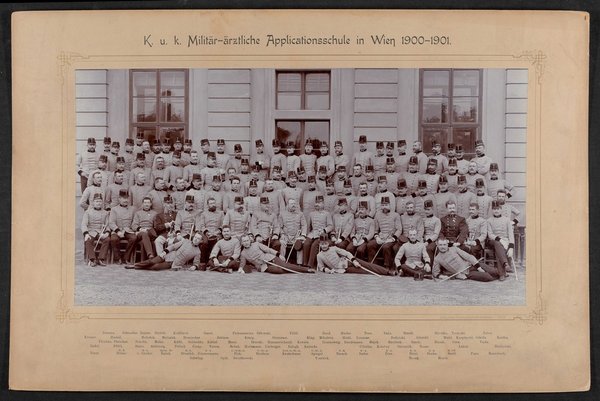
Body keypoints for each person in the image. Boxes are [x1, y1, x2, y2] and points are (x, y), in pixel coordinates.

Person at [237, 234, 314, 274]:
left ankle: (306, 270)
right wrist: (240, 268)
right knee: (278, 270)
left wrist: (278, 255)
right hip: (263, 266)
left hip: (270, 258)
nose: (246, 243)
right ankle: (292, 269)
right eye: (244, 241)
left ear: (250, 240)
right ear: (241, 243)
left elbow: (268, 249)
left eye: (247, 240)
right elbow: (242, 263)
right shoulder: (243, 253)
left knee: (285, 266)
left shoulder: (256, 244)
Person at [432, 237, 500, 282]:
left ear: (447, 244)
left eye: (444, 244)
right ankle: (493, 276)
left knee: (494, 271)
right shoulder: (437, 258)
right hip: (466, 273)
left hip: (472, 265)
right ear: (437, 245)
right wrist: (441, 276)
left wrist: (478, 267)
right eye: (440, 245)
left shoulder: (454, 249)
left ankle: (499, 274)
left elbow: (468, 257)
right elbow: (435, 272)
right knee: (487, 277)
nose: (443, 247)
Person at [125, 232, 202, 271]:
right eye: (195, 237)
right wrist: (164, 252)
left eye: (198, 238)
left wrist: (194, 267)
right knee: (152, 261)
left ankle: (140, 267)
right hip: (169, 255)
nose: (195, 239)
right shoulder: (185, 241)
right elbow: (173, 246)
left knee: (156, 267)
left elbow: (196, 263)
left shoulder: (197, 252)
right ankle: (135, 266)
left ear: (201, 241)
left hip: (174, 263)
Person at [317, 234, 389, 275]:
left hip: (349, 261)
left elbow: (347, 253)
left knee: (368, 265)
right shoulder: (319, 255)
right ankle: (383, 273)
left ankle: (387, 272)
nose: (324, 246)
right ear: (319, 244)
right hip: (343, 269)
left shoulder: (334, 248)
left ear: (328, 243)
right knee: (366, 271)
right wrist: (327, 270)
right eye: (322, 244)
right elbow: (321, 267)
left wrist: (354, 261)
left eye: (325, 244)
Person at [366, 196, 402, 274]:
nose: (384, 207)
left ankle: (387, 267)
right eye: (383, 205)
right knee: (370, 245)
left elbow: (399, 229)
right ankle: (373, 266)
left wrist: (392, 239)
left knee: (386, 247)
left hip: (391, 238)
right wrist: (377, 237)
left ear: (390, 205)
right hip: (381, 236)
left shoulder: (396, 215)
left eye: (386, 205)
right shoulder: (377, 215)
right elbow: (376, 229)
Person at [487, 200, 515, 281]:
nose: (496, 211)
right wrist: (500, 240)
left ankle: (502, 273)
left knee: (499, 248)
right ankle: (505, 263)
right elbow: (490, 234)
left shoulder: (507, 220)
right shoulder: (489, 220)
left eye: (498, 209)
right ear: (492, 210)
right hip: (492, 241)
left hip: (505, 242)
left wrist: (511, 247)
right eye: (494, 209)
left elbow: (510, 234)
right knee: (497, 243)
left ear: (501, 209)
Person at [303, 195, 334, 269]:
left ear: (323, 204)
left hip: (323, 234)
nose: (317, 204)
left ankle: (310, 265)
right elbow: (308, 226)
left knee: (315, 245)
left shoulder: (327, 214)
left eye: (319, 203)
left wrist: (324, 230)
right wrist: (306, 235)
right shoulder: (311, 214)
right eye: (316, 202)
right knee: (306, 243)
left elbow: (330, 226)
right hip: (312, 233)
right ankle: (304, 263)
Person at [81, 193, 110, 266]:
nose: (98, 203)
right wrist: (86, 234)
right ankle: (92, 259)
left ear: (102, 203)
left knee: (107, 239)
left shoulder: (105, 213)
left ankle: (101, 259)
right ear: (93, 202)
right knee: (88, 240)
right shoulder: (88, 212)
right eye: (97, 201)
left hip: (101, 231)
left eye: (100, 201)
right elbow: (84, 224)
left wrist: (106, 233)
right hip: (91, 231)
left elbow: (107, 225)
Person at [108, 189, 136, 264]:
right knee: (113, 239)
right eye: (123, 198)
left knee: (133, 238)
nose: (125, 200)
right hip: (117, 230)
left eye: (127, 198)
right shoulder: (114, 209)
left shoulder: (133, 209)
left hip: (128, 230)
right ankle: (117, 258)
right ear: (119, 199)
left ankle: (126, 258)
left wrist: (131, 229)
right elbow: (111, 222)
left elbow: (134, 222)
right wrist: (118, 231)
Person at [278, 198, 307, 264]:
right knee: (282, 242)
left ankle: (299, 264)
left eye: (294, 204)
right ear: (287, 205)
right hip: (286, 235)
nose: (293, 205)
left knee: (300, 243)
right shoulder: (282, 214)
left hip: (297, 235)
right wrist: (282, 234)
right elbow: (279, 226)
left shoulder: (300, 214)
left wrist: (303, 235)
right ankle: (282, 262)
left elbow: (304, 225)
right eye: (291, 204)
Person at [198, 197, 225, 264]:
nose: (213, 205)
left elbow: (223, 224)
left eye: (214, 203)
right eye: (211, 203)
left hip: (217, 232)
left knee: (218, 242)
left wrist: (218, 231)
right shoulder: (204, 214)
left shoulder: (221, 213)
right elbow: (202, 225)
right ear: (208, 205)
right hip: (207, 232)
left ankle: (214, 262)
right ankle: (203, 262)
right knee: (204, 243)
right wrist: (207, 232)